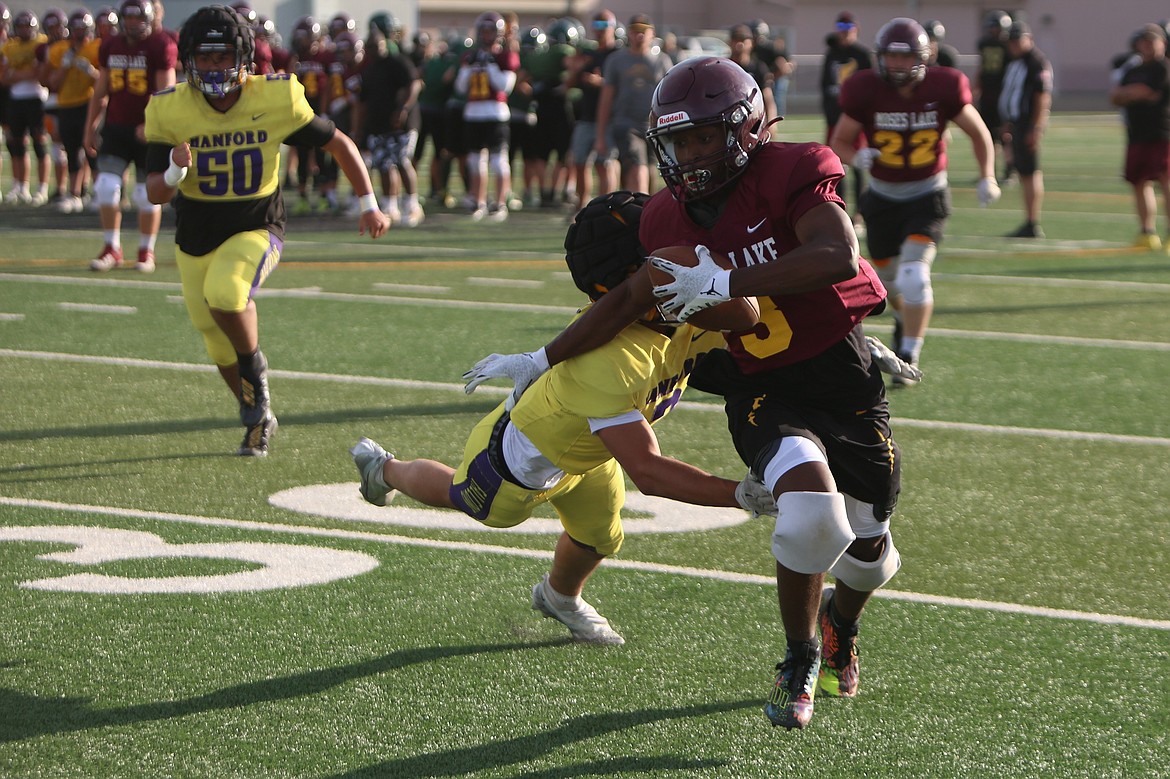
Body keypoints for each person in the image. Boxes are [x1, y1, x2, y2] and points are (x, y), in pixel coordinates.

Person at [463, 57, 918, 730]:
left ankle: (839, 623)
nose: (691, 154)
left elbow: (836, 258)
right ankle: (798, 655)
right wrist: (543, 355)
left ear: (744, 127)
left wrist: (728, 280)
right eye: (679, 141)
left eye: (704, 137)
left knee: (871, 550)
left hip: (843, 378)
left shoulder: (791, 170)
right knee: (811, 519)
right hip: (761, 386)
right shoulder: (665, 218)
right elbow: (628, 297)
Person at [354, 190, 777, 647]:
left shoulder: (672, 313)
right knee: (464, 496)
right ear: (635, 277)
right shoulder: (610, 360)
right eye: (660, 254)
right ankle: (385, 470)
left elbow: (750, 330)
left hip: (593, 451)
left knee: (599, 538)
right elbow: (650, 474)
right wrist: (739, 493)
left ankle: (559, 596)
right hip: (517, 463)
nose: (685, 256)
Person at [143, 5, 388, 457]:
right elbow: (155, 192)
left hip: (257, 224)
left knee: (227, 293)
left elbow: (337, 141)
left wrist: (368, 203)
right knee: (213, 334)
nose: (214, 67)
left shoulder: (275, 98)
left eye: (223, 57)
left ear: (243, 58)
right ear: (189, 61)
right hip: (196, 231)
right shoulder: (169, 107)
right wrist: (176, 172)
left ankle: (255, 399)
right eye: (206, 57)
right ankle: (257, 407)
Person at [830, 18, 999, 382]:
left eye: (904, 58)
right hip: (881, 198)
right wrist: (856, 156)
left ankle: (909, 353)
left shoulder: (945, 85)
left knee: (915, 276)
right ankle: (905, 322)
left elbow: (979, 133)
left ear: (924, 57)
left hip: (927, 194)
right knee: (890, 284)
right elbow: (839, 140)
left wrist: (988, 175)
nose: (897, 65)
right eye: (890, 57)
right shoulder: (865, 88)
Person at [83, 0, 176, 271]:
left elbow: (165, 94)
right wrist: (89, 127)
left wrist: (150, 123)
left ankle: (146, 251)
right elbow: (101, 91)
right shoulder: (111, 45)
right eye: (129, 18)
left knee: (145, 193)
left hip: (149, 131)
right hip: (116, 127)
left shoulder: (160, 45)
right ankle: (112, 247)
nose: (133, 24)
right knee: (105, 187)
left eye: (138, 18)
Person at [593, 13, 671, 193]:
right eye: (635, 31)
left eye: (644, 31)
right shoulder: (616, 60)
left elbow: (670, 97)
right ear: (628, 33)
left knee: (652, 171)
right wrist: (600, 135)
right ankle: (639, 214)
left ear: (652, 34)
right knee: (637, 167)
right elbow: (606, 98)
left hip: (654, 126)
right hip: (626, 124)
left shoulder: (662, 61)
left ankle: (647, 212)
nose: (640, 36)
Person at [1109, 24, 1170, 251]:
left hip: (1162, 133)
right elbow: (1115, 96)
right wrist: (1134, 93)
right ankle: (1147, 232)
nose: (1146, 46)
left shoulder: (1163, 68)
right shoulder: (1132, 69)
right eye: (1143, 42)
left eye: (1151, 41)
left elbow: (1147, 92)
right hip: (1136, 134)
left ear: (1162, 43)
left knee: (1165, 182)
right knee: (1139, 182)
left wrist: (1131, 94)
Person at [454, 11, 518, 221]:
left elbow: (504, 86)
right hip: (473, 113)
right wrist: (469, 68)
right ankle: (478, 201)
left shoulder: (505, 55)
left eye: (491, 30)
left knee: (499, 161)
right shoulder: (469, 56)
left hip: (495, 112)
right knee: (475, 161)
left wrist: (489, 65)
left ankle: (500, 203)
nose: (487, 35)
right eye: (484, 30)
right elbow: (460, 87)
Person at [44, 9, 102, 214]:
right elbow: (53, 83)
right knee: (71, 151)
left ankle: (99, 194)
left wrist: (92, 72)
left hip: (89, 103)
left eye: (83, 29)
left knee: (93, 149)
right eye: (76, 29)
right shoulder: (60, 50)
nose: (79, 34)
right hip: (66, 105)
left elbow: (104, 82)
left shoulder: (97, 48)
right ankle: (75, 194)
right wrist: (65, 66)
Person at [998, 21, 1052, 238]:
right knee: (1023, 173)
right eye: (1010, 41)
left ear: (1029, 39)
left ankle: (1032, 222)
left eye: (1016, 40)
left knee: (1030, 173)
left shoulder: (1035, 63)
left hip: (1027, 125)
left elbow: (1042, 97)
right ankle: (1029, 220)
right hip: (1017, 124)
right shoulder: (1015, 62)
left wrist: (1036, 128)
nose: (1012, 45)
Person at [820, 11, 872, 234]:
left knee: (859, 165)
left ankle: (859, 213)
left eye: (848, 28)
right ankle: (841, 211)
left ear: (856, 29)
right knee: (836, 168)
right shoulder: (831, 54)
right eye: (840, 27)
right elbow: (824, 86)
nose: (844, 33)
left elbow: (871, 87)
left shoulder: (862, 55)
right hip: (834, 119)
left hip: (856, 121)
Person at [565, 8, 618, 207]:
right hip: (586, 116)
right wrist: (576, 68)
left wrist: (600, 82)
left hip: (608, 118)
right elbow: (569, 85)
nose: (600, 30)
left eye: (604, 25)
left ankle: (607, 207)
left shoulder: (617, 55)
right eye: (596, 25)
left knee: (604, 164)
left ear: (613, 27)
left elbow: (620, 86)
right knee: (579, 161)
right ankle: (582, 205)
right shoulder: (590, 55)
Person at [2, 10, 50, 205]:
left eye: (27, 27)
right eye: (21, 27)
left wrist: (18, 74)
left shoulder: (41, 43)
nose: (24, 30)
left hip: (36, 98)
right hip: (15, 99)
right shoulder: (9, 47)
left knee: (39, 143)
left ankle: (42, 188)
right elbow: (4, 77)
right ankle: (20, 186)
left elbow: (39, 73)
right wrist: (26, 73)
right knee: (17, 143)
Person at [974, 10, 1013, 182]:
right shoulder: (985, 44)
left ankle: (1009, 171)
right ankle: (990, 172)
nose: (993, 31)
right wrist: (977, 87)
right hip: (988, 95)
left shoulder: (1010, 47)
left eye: (995, 28)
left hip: (1003, 96)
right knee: (987, 135)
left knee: (1005, 136)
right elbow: (982, 67)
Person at [728, 23, 777, 123]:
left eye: (743, 40)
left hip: (753, 119)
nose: (739, 44)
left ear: (751, 43)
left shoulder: (759, 68)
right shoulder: (725, 67)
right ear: (729, 42)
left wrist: (771, 122)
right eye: (736, 40)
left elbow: (768, 97)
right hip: (729, 118)